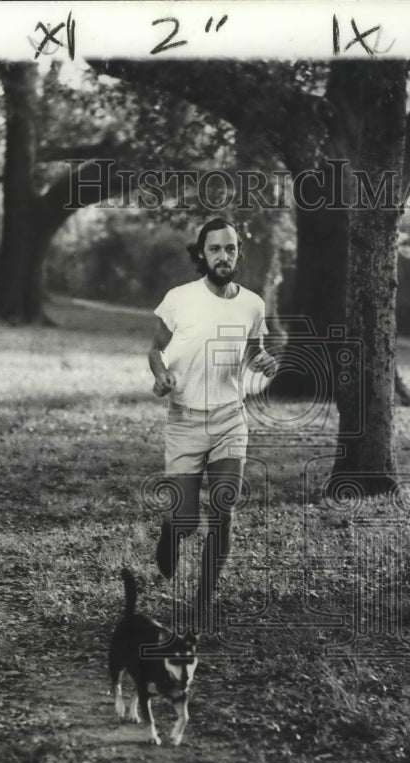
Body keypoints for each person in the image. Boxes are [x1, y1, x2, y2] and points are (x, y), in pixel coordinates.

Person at [148, 218, 278, 633]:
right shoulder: (179, 298)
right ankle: (172, 529)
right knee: (187, 522)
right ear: (201, 254)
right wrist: (161, 375)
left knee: (223, 509)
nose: (224, 256)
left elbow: (257, 351)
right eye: (216, 249)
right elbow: (155, 349)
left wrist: (264, 361)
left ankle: (202, 602)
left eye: (231, 248)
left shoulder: (253, 305)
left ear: (239, 253)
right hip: (185, 420)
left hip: (229, 418)